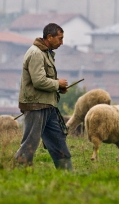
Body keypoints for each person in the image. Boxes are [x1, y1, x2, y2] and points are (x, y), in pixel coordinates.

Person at [14, 23, 72, 170]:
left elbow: (45, 80)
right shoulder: (36, 54)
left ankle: (66, 173)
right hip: (35, 106)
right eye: (60, 38)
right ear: (49, 37)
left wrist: (58, 88)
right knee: (30, 143)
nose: (62, 42)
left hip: (47, 105)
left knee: (58, 139)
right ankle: (18, 172)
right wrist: (57, 84)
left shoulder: (45, 53)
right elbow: (38, 81)